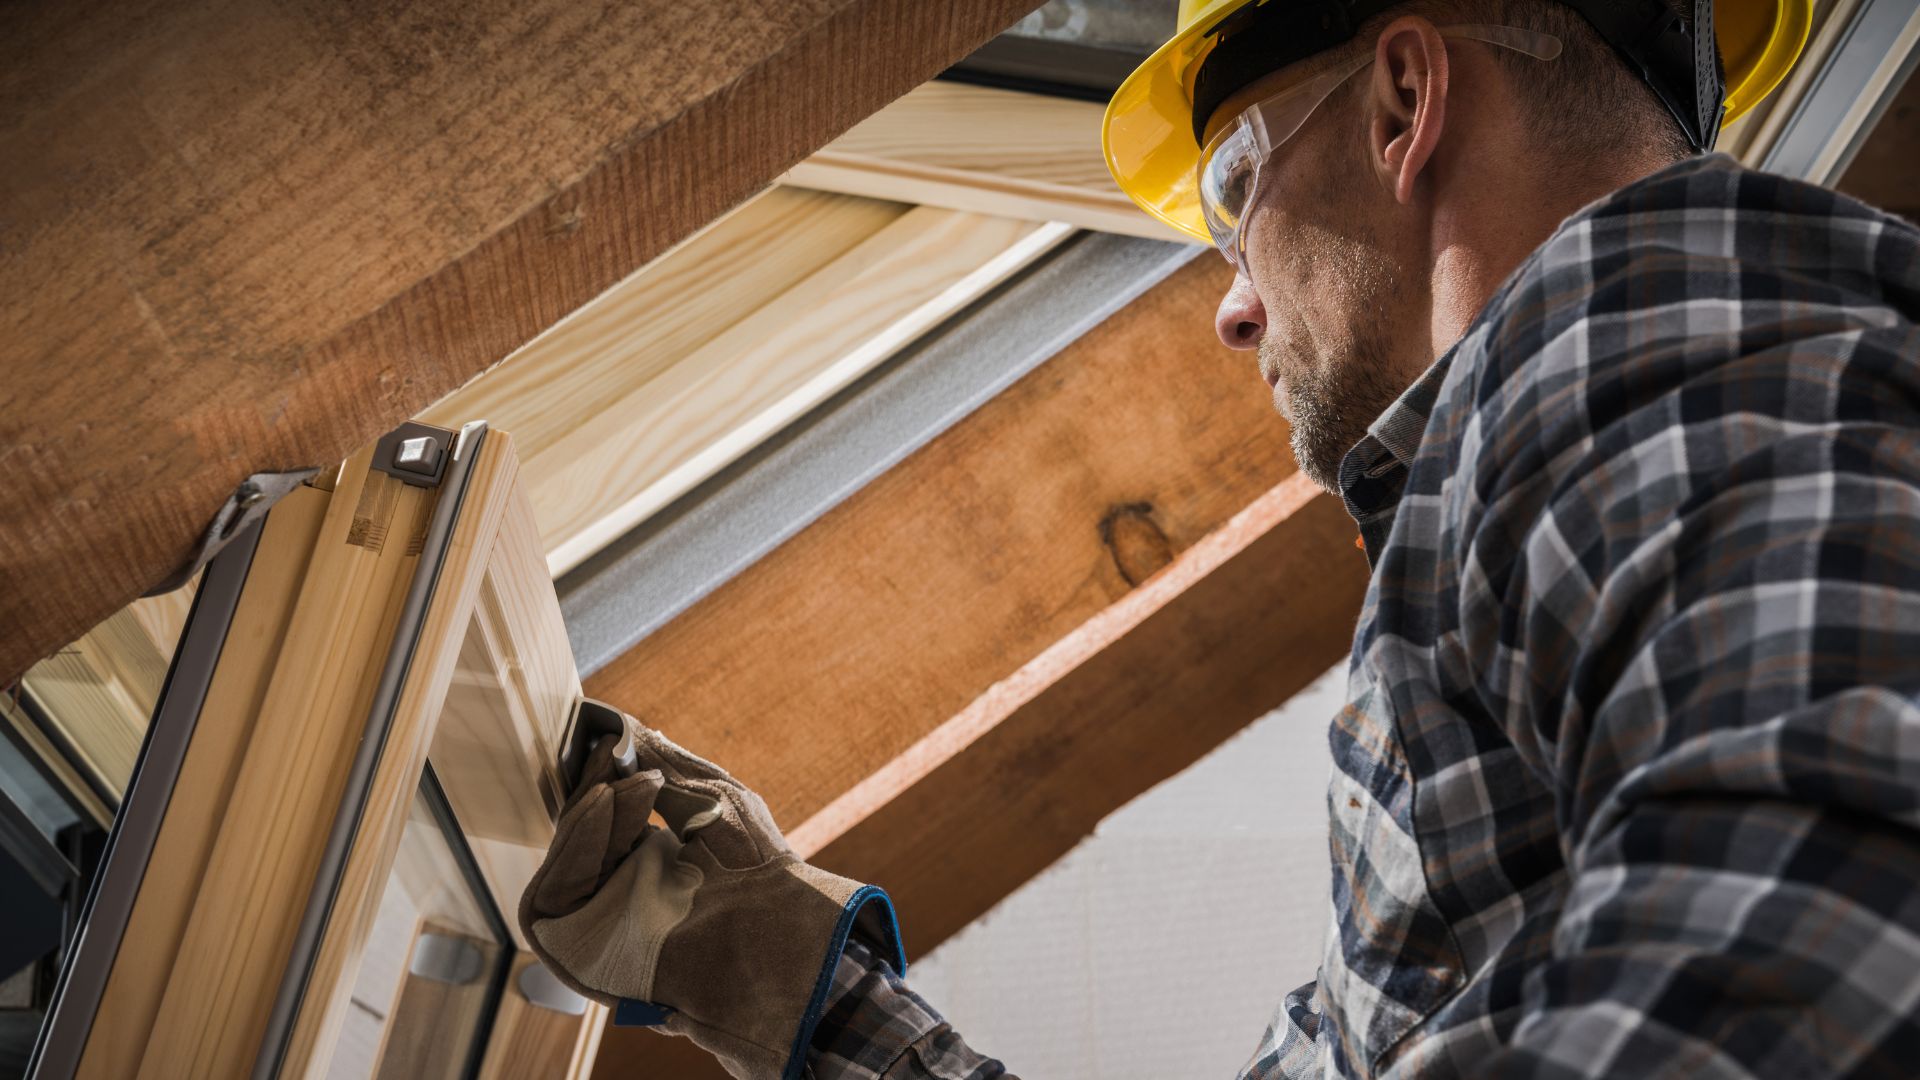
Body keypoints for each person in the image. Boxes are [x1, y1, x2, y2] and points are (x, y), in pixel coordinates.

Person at [519, 0, 1920, 1076]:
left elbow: (1824, 937)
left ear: (1404, 101)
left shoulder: (1636, 351)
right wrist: (814, 1000)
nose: (1231, 307)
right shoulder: (1573, 450)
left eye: (1232, 200)